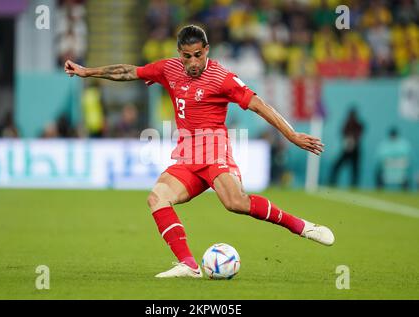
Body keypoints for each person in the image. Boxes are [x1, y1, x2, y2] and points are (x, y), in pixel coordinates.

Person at [64, 25, 334, 279]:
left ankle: (302, 226)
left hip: (215, 151)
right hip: (187, 156)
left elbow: (259, 105)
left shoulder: (223, 78)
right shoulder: (169, 69)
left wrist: (292, 135)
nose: (192, 62)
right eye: (186, 56)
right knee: (157, 198)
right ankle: (188, 265)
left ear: (207, 50)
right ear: (178, 53)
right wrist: (87, 72)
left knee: (235, 203)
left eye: (197, 55)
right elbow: (128, 71)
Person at [329, 108, 364, 188]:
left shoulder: (358, 124)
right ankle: (332, 182)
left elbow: (359, 134)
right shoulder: (347, 124)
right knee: (337, 166)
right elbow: (342, 132)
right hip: (346, 149)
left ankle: (354, 185)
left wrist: (353, 138)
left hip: (355, 149)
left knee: (355, 168)